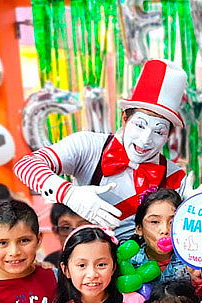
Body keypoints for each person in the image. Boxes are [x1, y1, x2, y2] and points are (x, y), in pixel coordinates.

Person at [14, 59, 189, 241]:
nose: (145, 140)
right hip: (91, 262)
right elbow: (26, 165)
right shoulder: (89, 146)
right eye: (140, 125)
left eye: (159, 131)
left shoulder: (176, 178)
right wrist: (68, 194)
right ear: (124, 118)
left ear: (168, 135)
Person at [44, 203, 89, 268]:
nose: (74, 234)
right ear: (55, 231)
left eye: (82, 227)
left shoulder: (106, 258)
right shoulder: (51, 263)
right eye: (66, 228)